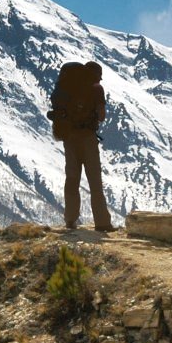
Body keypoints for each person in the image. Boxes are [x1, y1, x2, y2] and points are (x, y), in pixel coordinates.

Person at [49, 61, 114, 231]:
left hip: (69, 138)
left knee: (72, 179)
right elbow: (101, 116)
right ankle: (102, 223)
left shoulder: (68, 87)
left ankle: (70, 220)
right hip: (87, 138)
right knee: (94, 180)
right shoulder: (96, 88)